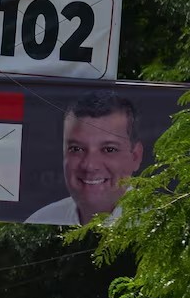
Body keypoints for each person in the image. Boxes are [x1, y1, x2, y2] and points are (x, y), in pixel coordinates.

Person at [26, 90, 143, 225]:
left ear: (135, 157)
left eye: (109, 149)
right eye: (77, 149)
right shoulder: (41, 221)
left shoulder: (161, 226)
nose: (90, 165)